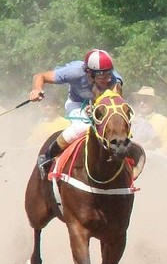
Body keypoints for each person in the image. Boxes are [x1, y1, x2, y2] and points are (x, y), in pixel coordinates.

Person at [29, 49, 123, 177]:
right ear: (89, 72)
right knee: (83, 127)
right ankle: (47, 156)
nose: (108, 79)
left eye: (109, 73)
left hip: (99, 105)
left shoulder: (115, 81)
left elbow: (113, 104)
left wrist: (95, 107)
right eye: (102, 76)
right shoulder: (74, 71)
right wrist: (37, 90)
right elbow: (40, 76)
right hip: (76, 103)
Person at [130, 86, 167, 154]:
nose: (141, 103)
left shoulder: (162, 120)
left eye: (145, 100)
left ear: (153, 102)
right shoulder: (131, 120)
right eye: (139, 101)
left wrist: (153, 154)